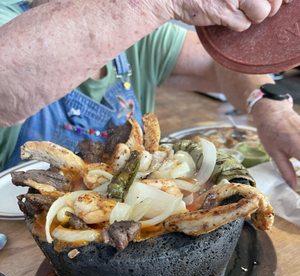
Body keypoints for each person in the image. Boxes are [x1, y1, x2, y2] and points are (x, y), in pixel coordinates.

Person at [0, 0, 299, 189]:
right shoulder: (10, 20)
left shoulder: (136, 36)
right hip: (25, 244)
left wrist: (271, 109)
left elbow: (220, 63)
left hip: (135, 224)